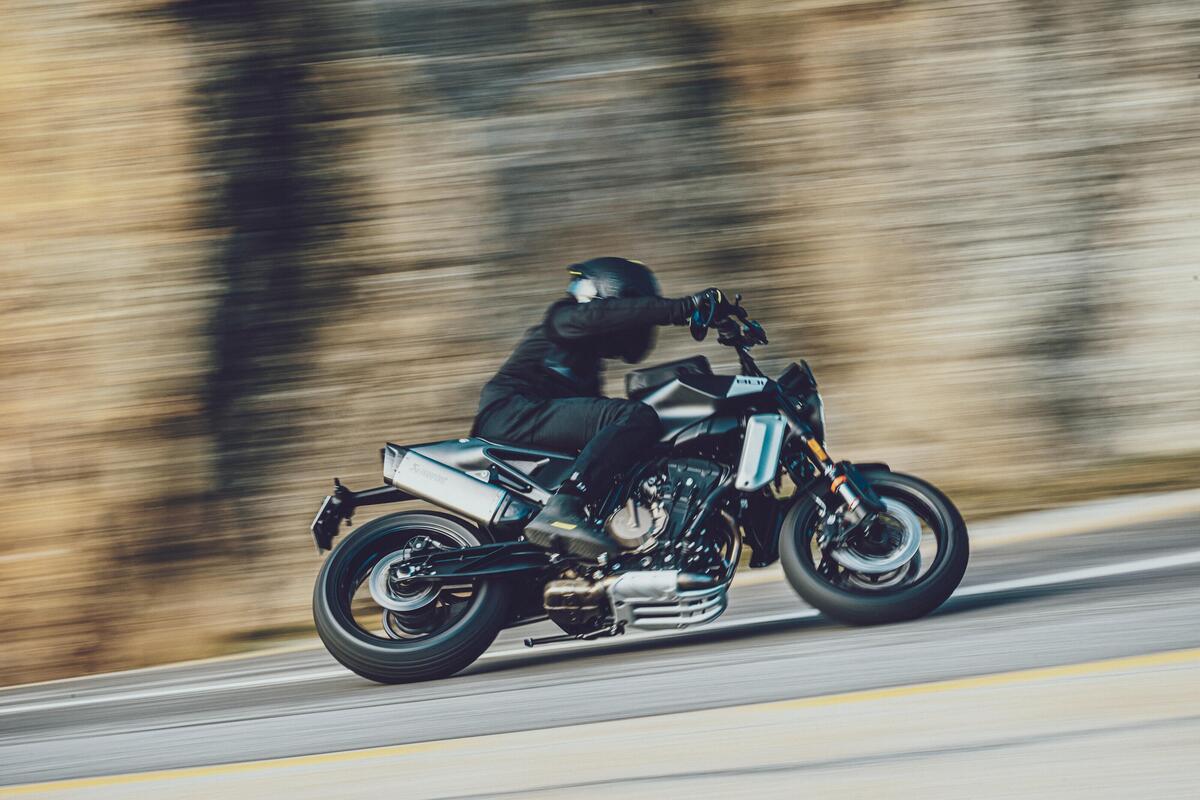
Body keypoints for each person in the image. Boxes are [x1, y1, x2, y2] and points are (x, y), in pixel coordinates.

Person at [472, 257, 728, 561]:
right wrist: (683, 308)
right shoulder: (563, 317)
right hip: (513, 413)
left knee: (633, 439)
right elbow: (603, 315)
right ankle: (564, 507)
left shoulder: (587, 363)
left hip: (529, 418)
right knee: (635, 416)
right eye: (635, 308)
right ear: (613, 295)